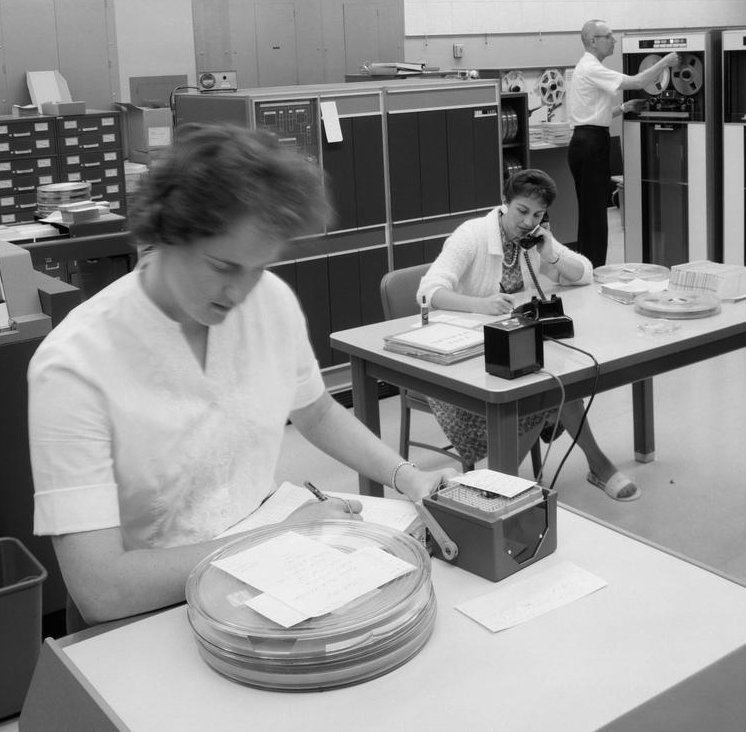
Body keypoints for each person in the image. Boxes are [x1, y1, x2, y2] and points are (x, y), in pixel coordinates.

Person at [28, 123, 454, 626]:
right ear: (164, 233)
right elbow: (102, 589)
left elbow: (315, 411)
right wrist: (278, 540)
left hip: (270, 571)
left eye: (258, 267)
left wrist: (409, 476)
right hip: (151, 608)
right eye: (222, 265)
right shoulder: (74, 366)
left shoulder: (268, 301)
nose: (241, 292)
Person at [416, 168, 641, 502]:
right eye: (522, 211)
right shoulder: (472, 235)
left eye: (537, 215)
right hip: (462, 367)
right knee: (553, 393)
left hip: (514, 353)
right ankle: (509, 482)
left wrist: (550, 252)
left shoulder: (532, 241)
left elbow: (584, 274)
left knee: (559, 382)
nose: (527, 221)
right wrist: (480, 305)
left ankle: (499, 484)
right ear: (505, 203)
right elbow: (427, 292)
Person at [565, 19, 680, 266]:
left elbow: (593, 110)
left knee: (592, 212)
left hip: (588, 140)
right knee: (595, 214)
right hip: (590, 143)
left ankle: (587, 267)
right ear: (593, 41)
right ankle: (592, 269)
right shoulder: (591, 67)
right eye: (608, 36)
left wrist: (624, 107)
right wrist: (666, 62)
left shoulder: (587, 68)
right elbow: (638, 82)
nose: (614, 40)